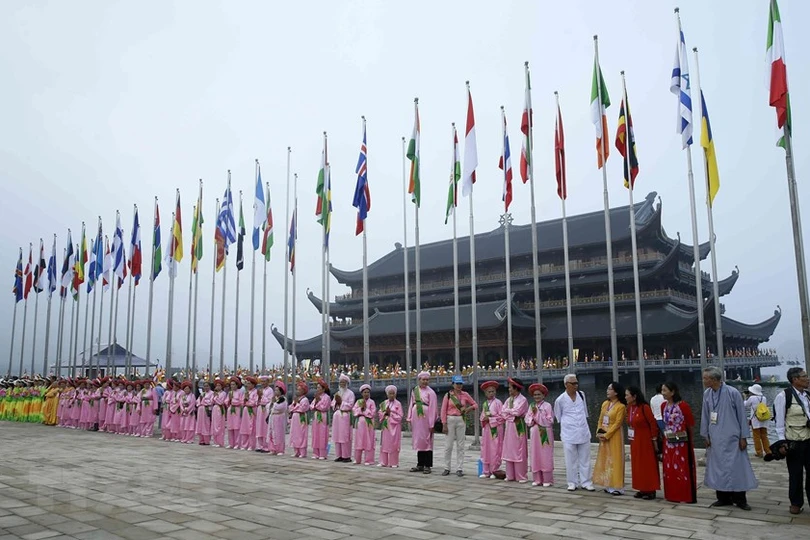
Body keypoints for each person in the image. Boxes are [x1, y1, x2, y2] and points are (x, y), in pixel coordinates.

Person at [701, 366, 758, 510]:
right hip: (715, 436)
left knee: (737, 468)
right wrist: (705, 435)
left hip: (732, 436)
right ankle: (723, 497)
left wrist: (743, 436)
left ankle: (740, 499)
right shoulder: (707, 394)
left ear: (714, 379)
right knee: (718, 468)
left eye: (705, 378)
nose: (703, 380)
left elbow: (741, 415)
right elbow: (705, 415)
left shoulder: (732, 393)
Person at [773, 367, 810, 515]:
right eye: (804, 376)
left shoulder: (807, 396)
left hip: (809, 440)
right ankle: (796, 503)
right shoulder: (784, 396)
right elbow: (779, 422)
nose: (807, 378)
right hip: (794, 441)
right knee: (795, 473)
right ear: (795, 379)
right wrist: (782, 442)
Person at [554, 374, 594, 492]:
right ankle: (572, 482)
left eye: (577, 383)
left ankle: (586, 482)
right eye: (573, 383)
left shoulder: (582, 395)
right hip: (569, 433)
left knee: (585, 458)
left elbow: (585, 412)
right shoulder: (560, 399)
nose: (576, 386)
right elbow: (558, 416)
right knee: (570, 459)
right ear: (566, 385)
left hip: (583, 431)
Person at [660, 381, 697, 503]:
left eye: (665, 390)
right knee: (669, 467)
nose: (663, 393)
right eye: (662, 390)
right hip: (668, 441)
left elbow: (690, 423)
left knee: (682, 467)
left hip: (681, 442)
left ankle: (685, 494)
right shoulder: (663, 406)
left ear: (673, 392)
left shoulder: (683, 406)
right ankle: (671, 494)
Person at [625, 386, 660, 500]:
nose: (625, 397)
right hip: (635, 440)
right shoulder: (630, 408)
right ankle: (641, 488)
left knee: (647, 465)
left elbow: (653, 423)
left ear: (634, 396)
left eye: (627, 395)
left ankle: (650, 489)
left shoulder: (644, 407)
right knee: (637, 464)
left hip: (646, 440)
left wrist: (654, 438)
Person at [593, 381, 627, 495]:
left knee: (615, 458)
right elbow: (600, 419)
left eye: (610, 389)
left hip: (614, 435)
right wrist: (599, 431)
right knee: (606, 458)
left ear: (616, 392)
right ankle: (607, 483)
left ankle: (617, 486)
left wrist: (607, 435)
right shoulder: (605, 404)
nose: (607, 391)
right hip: (604, 434)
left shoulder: (621, 407)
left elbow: (617, 423)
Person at [440, 375, 477, 477]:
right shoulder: (448, 395)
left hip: (461, 419)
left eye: (460, 384)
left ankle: (459, 468)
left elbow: (475, 404)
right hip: (450, 419)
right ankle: (447, 467)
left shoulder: (465, 395)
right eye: (457, 384)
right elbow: (443, 410)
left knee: (461, 445)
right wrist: (444, 423)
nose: (459, 386)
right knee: (448, 445)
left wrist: (468, 409)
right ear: (453, 384)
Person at [408, 371, 437, 474]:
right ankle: (420, 464)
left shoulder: (431, 392)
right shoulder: (415, 391)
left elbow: (433, 408)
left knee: (427, 440)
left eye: (427, 380)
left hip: (426, 417)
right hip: (417, 418)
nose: (425, 382)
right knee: (419, 440)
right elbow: (411, 404)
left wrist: (432, 423)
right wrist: (409, 417)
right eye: (423, 380)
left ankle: (427, 465)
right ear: (419, 380)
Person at [501, 378, 529, 483]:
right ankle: (510, 475)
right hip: (509, 426)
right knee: (509, 449)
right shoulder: (509, 400)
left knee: (519, 449)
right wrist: (510, 414)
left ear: (515, 388)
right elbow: (502, 413)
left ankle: (521, 475)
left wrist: (508, 412)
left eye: (510, 387)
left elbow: (518, 412)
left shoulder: (523, 400)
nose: (509, 389)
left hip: (518, 426)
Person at [526, 383, 554, 487]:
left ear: (543, 395)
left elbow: (550, 420)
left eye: (539, 394)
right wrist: (533, 418)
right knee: (535, 453)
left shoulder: (547, 406)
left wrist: (538, 415)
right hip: (535, 432)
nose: (537, 396)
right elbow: (527, 419)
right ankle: (537, 479)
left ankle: (547, 479)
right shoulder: (531, 406)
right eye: (535, 395)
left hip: (544, 431)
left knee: (545, 454)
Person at [479, 380, 504, 479]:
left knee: (495, 449)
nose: (491, 393)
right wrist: (484, 419)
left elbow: (502, 417)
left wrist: (490, 419)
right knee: (485, 449)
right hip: (487, 429)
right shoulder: (485, 404)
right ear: (485, 393)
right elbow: (482, 416)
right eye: (489, 392)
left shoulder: (498, 403)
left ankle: (494, 470)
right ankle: (486, 471)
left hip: (495, 429)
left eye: (493, 391)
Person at [332, 374, 355, 463]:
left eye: (343, 382)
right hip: (337, 416)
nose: (342, 384)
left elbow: (350, 405)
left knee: (345, 436)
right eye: (340, 382)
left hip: (345, 416)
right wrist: (336, 403)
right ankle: (339, 455)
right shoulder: (337, 393)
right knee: (337, 436)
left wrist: (341, 403)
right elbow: (332, 404)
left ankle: (346, 456)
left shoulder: (350, 393)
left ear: (347, 383)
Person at [378, 385, 403, 468]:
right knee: (384, 443)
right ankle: (383, 462)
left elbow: (400, 417)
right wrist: (385, 413)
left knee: (394, 444)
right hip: (386, 426)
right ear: (387, 394)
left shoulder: (398, 404)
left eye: (393, 393)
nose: (392, 395)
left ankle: (394, 462)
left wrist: (391, 413)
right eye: (390, 394)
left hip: (394, 426)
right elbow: (380, 413)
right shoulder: (384, 403)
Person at [745, 383, 771, 458]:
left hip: (756, 419)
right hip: (764, 419)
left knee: (756, 436)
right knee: (764, 436)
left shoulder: (752, 398)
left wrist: (745, 398)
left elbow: (746, 405)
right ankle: (768, 451)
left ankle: (759, 452)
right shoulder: (764, 398)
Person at [352, 384, 376, 465]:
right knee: (358, 440)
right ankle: (357, 459)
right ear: (362, 393)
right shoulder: (358, 402)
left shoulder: (372, 402)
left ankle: (369, 460)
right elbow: (354, 411)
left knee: (368, 440)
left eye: (368, 392)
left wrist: (365, 410)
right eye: (364, 392)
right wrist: (361, 409)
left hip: (368, 424)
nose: (366, 394)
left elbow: (372, 413)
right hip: (360, 424)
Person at [289, 381, 311, 458]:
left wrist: (295, 405)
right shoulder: (296, 399)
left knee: (301, 434)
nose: (297, 391)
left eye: (299, 389)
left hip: (301, 417)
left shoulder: (305, 399)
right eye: (297, 389)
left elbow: (302, 409)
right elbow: (290, 408)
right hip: (295, 418)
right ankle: (296, 451)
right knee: (295, 433)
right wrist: (295, 404)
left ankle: (302, 452)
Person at [311, 379, 331, 459]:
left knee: (322, 434)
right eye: (317, 388)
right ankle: (316, 453)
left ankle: (323, 453)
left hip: (322, 416)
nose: (318, 389)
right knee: (315, 434)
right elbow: (311, 406)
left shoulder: (327, 397)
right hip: (316, 416)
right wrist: (316, 402)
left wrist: (318, 402)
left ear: (323, 389)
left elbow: (324, 407)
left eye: (319, 388)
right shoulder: (317, 397)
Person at [267, 381, 288, 455]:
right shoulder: (274, 398)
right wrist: (272, 403)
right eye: (275, 390)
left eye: (277, 390)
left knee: (279, 433)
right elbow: (268, 406)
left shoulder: (283, 399)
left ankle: (280, 450)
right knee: (271, 432)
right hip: (273, 417)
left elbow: (280, 407)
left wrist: (274, 403)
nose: (275, 392)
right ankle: (272, 449)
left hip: (279, 417)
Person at [241, 377, 260, 451]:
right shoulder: (246, 392)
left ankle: (251, 445)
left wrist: (248, 400)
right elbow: (242, 402)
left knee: (251, 428)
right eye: (247, 384)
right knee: (245, 427)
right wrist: (245, 399)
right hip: (246, 410)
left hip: (252, 411)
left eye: (249, 384)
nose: (247, 385)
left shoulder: (256, 392)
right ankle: (244, 444)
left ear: (253, 384)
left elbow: (255, 402)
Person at [227, 377, 244, 449]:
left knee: (236, 427)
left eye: (234, 384)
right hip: (230, 409)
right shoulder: (230, 392)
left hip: (237, 410)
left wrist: (234, 402)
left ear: (237, 385)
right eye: (231, 384)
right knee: (230, 427)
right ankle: (231, 443)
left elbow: (241, 402)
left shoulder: (240, 392)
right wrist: (230, 399)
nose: (232, 386)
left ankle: (237, 444)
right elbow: (226, 401)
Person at [195, 381, 214, 445]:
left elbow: (211, 402)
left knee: (206, 424)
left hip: (206, 410)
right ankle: (201, 440)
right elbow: (197, 402)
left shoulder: (212, 393)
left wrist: (203, 401)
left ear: (210, 386)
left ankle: (206, 440)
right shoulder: (202, 393)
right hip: (200, 410)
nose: (206, 387)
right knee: (200, 424)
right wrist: (201, 401)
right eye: (205, 386)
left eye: (207, 386)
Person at [211, 379, 228, 448]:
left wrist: (215, 397)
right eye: (217, 385)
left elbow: (221, 402)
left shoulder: (223, 393)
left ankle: (220, 442)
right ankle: (215, 441)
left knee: (219, 425)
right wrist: (214, 397)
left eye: (219, 385)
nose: (217, 387)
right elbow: (211, 401)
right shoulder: (215, 393)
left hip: (219, 409)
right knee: (214, 424)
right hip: (214, 408)